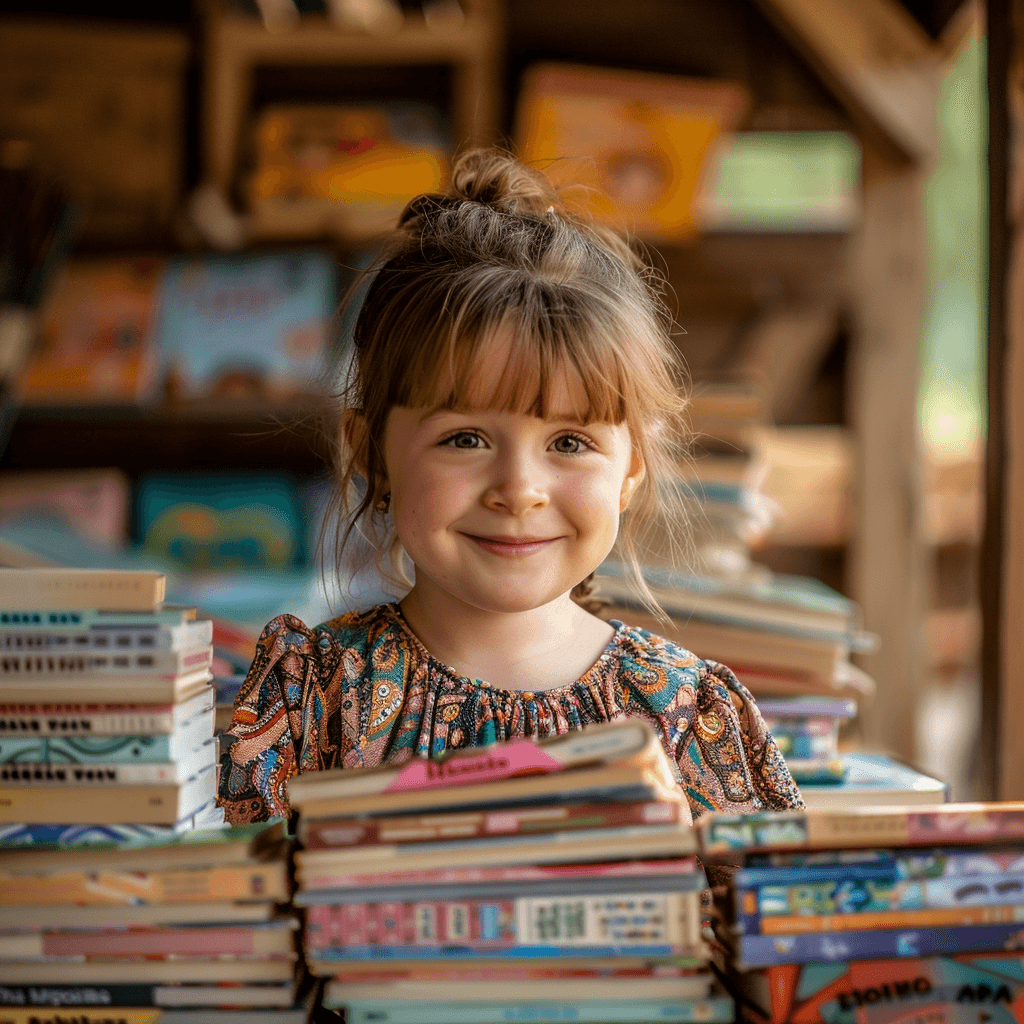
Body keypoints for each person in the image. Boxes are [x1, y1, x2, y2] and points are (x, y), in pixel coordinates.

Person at [216, 149, 803, 827]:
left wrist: (687, 856)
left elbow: (771, 921)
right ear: (372, 451)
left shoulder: (688, 713)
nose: (519, 490)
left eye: (570, 443)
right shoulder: (311, 698)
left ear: (631, 470)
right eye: (465, 439)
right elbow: (249, 907)